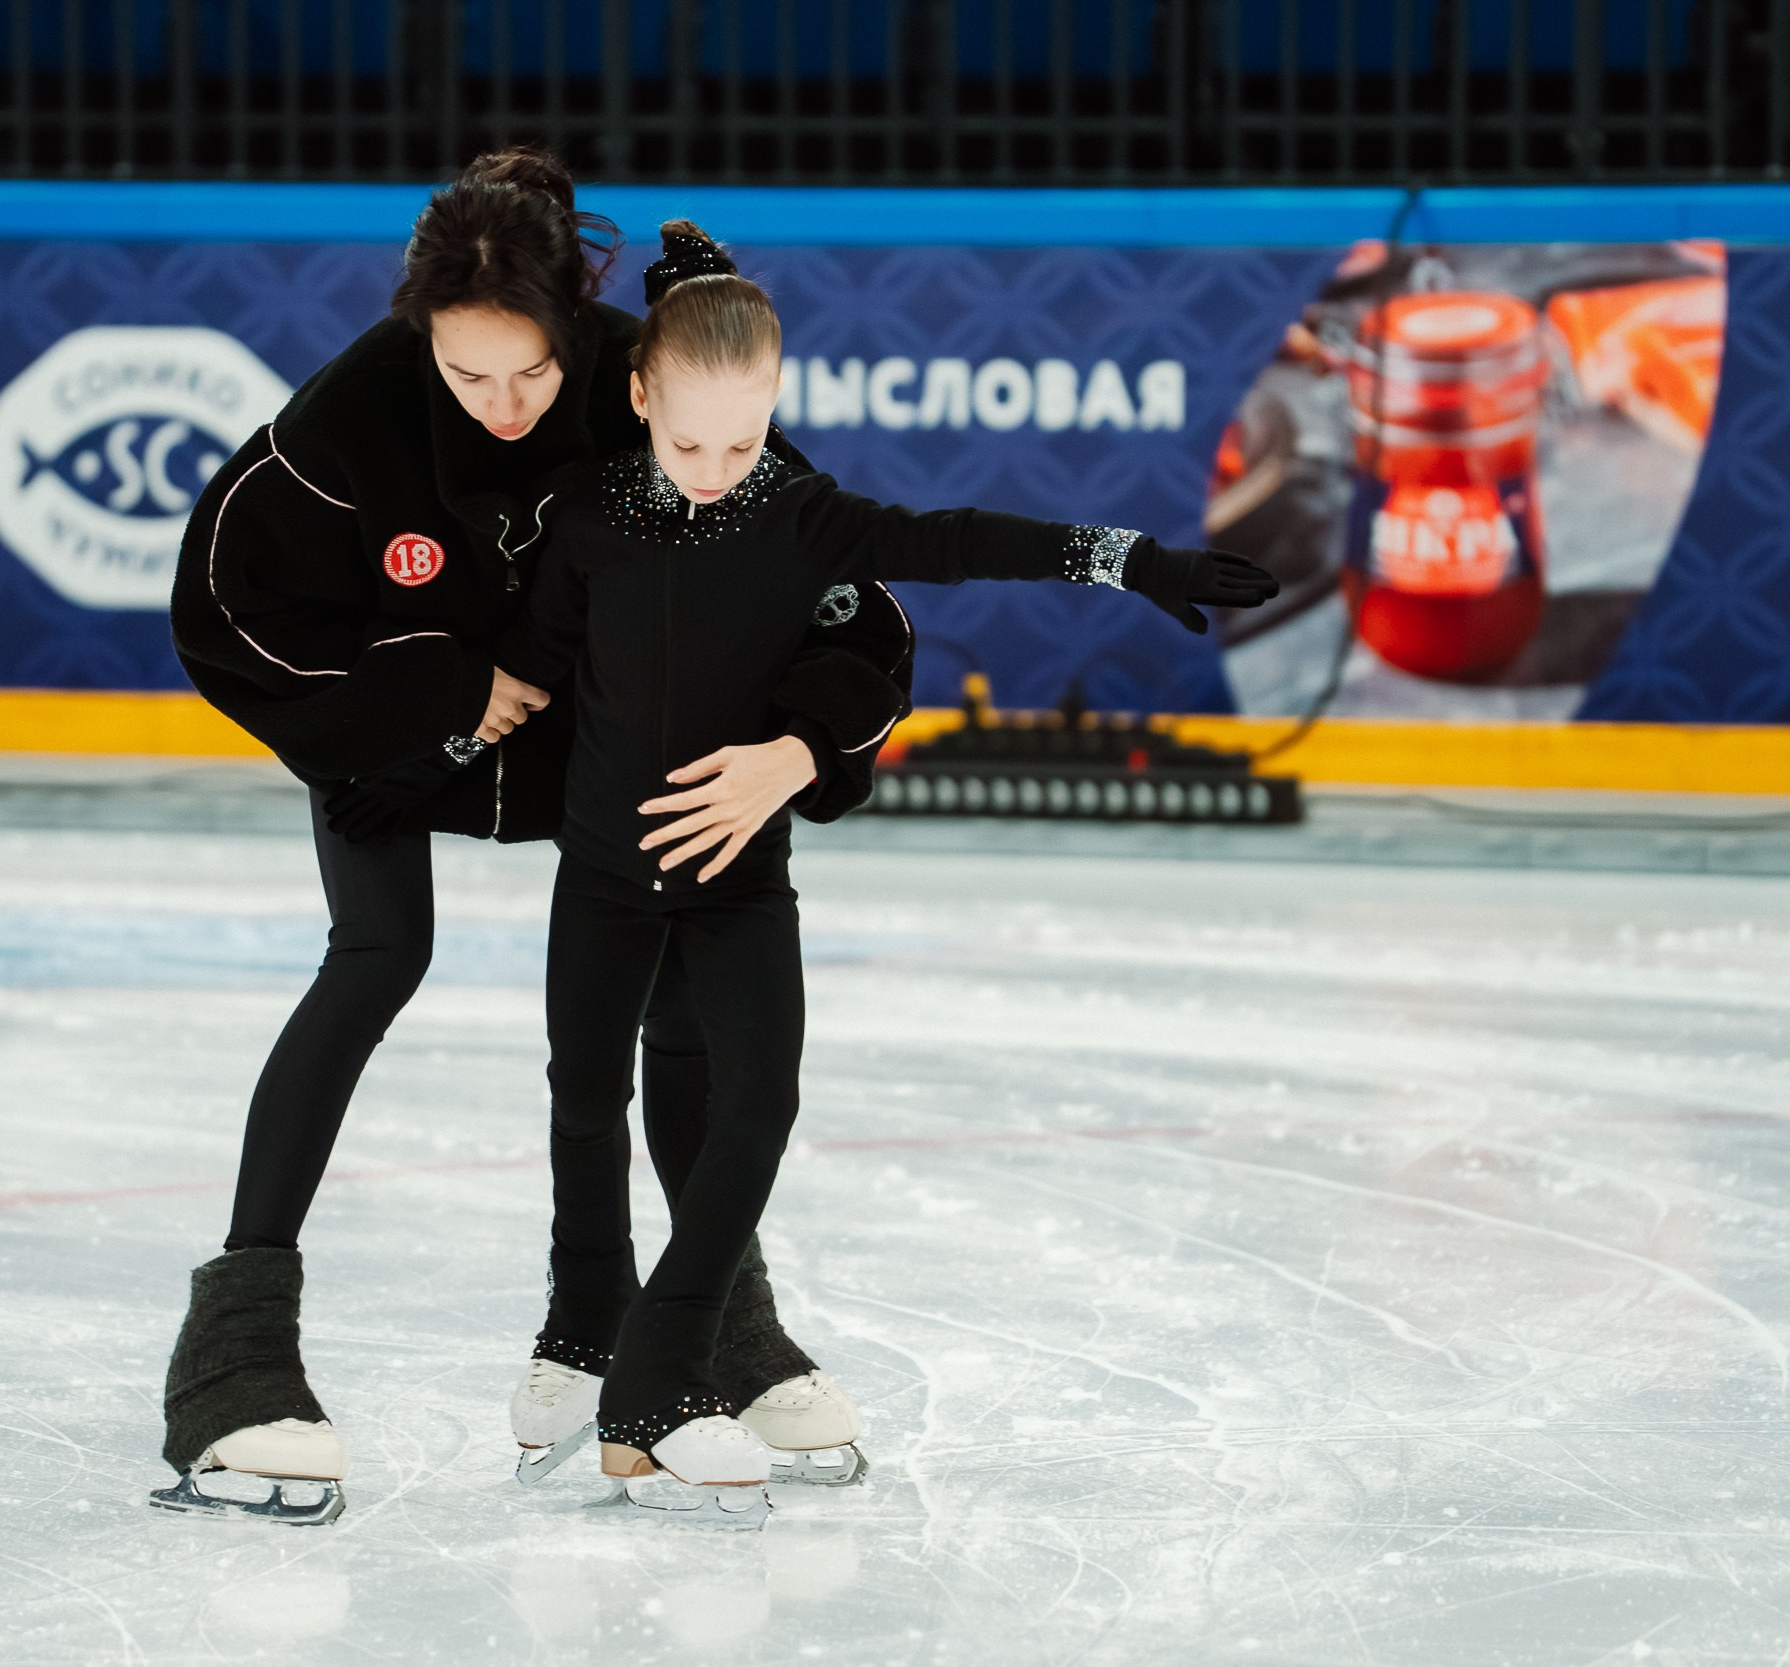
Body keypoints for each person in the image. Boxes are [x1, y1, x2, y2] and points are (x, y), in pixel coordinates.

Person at [152, 154, 912, 1525]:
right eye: (467, 376)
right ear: (424, 339)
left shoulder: (655, 384)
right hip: (398, 738)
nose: (502, 408)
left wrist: (797, 747)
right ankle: (234, 1362)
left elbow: (852, 608)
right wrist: (429, 690)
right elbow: (223, 605)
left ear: (586, 340)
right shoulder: (351, 417)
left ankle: (715, 1327)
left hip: (603, 749)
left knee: (679, 985)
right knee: (377, 953)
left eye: (532, 376)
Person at [492, 222, 1278, 1525]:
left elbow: (959, 536)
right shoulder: (585, 519)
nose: (710, 473)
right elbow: (535, 655)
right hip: (610, 869)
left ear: (772, 419)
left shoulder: (800, 520)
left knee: (757, 1104)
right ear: (639, 398)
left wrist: (1131, 560)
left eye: (740, 446)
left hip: (742, 872)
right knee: (589, 1102)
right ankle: (584, 1325)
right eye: (687, 445)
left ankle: (658, 1373)